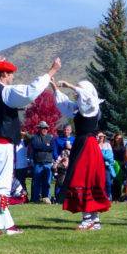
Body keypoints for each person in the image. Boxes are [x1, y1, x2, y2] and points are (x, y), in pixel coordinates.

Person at [0, 56, 61, 235]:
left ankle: (9, 226)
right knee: (2, 187)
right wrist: (51, 71)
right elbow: (30, 91)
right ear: (5, 74)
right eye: (11, 74)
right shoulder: (6, 92)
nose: (13, 77)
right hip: (1, 145)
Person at [53, 79, 111, 230]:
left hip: (87, 146)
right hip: (83, 145)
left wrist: (71, 85)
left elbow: (89, 99)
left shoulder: (92, 107)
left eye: (78, 91)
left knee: (83, 179)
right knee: (86, 180)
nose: (76, 95)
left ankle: (88, 219)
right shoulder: (80, 109)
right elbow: (64, 104)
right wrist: (54, 87)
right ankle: (94, 220)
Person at [30, 121, 54, 203]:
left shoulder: (50, 137)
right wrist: (45, 146)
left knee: (47, 182)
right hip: (38, 163)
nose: (45, 129)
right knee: (36, 182)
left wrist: (42, 147)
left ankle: (47, 198)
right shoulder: (35, 137)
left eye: (46, 128)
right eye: (43, 128)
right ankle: (35, 199)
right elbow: (35, 146)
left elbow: (51, 148)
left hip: (48, 163)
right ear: (39, 128)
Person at [97, 132, 115, 201]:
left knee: (108, 182)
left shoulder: (107, 145)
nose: (101, 138)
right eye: (99, 136)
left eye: (102, 136)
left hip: (106, 166)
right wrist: (104, 155)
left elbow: (110, 157)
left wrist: (100, 154)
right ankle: (101, 197)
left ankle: (108, 196)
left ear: (104, 137)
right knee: (99, 183)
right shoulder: (95, 145)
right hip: (98, 166)